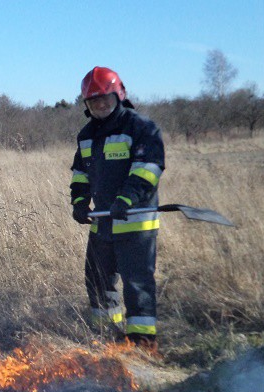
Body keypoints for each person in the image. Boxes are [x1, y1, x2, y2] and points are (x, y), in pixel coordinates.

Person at [69, 66, 165, 350]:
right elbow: (80, 174)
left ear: (119, 95)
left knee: (137, 285)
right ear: (86, 104)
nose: (100, 105)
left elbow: (148, 169)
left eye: (105, 99)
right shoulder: (86, 136)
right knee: (98, 281)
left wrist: (126, 200)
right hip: (103, 222)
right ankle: (106, 337)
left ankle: (142, 344)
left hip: (135, 222)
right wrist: (79, 203)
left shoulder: (142, 128)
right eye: (93, 101)